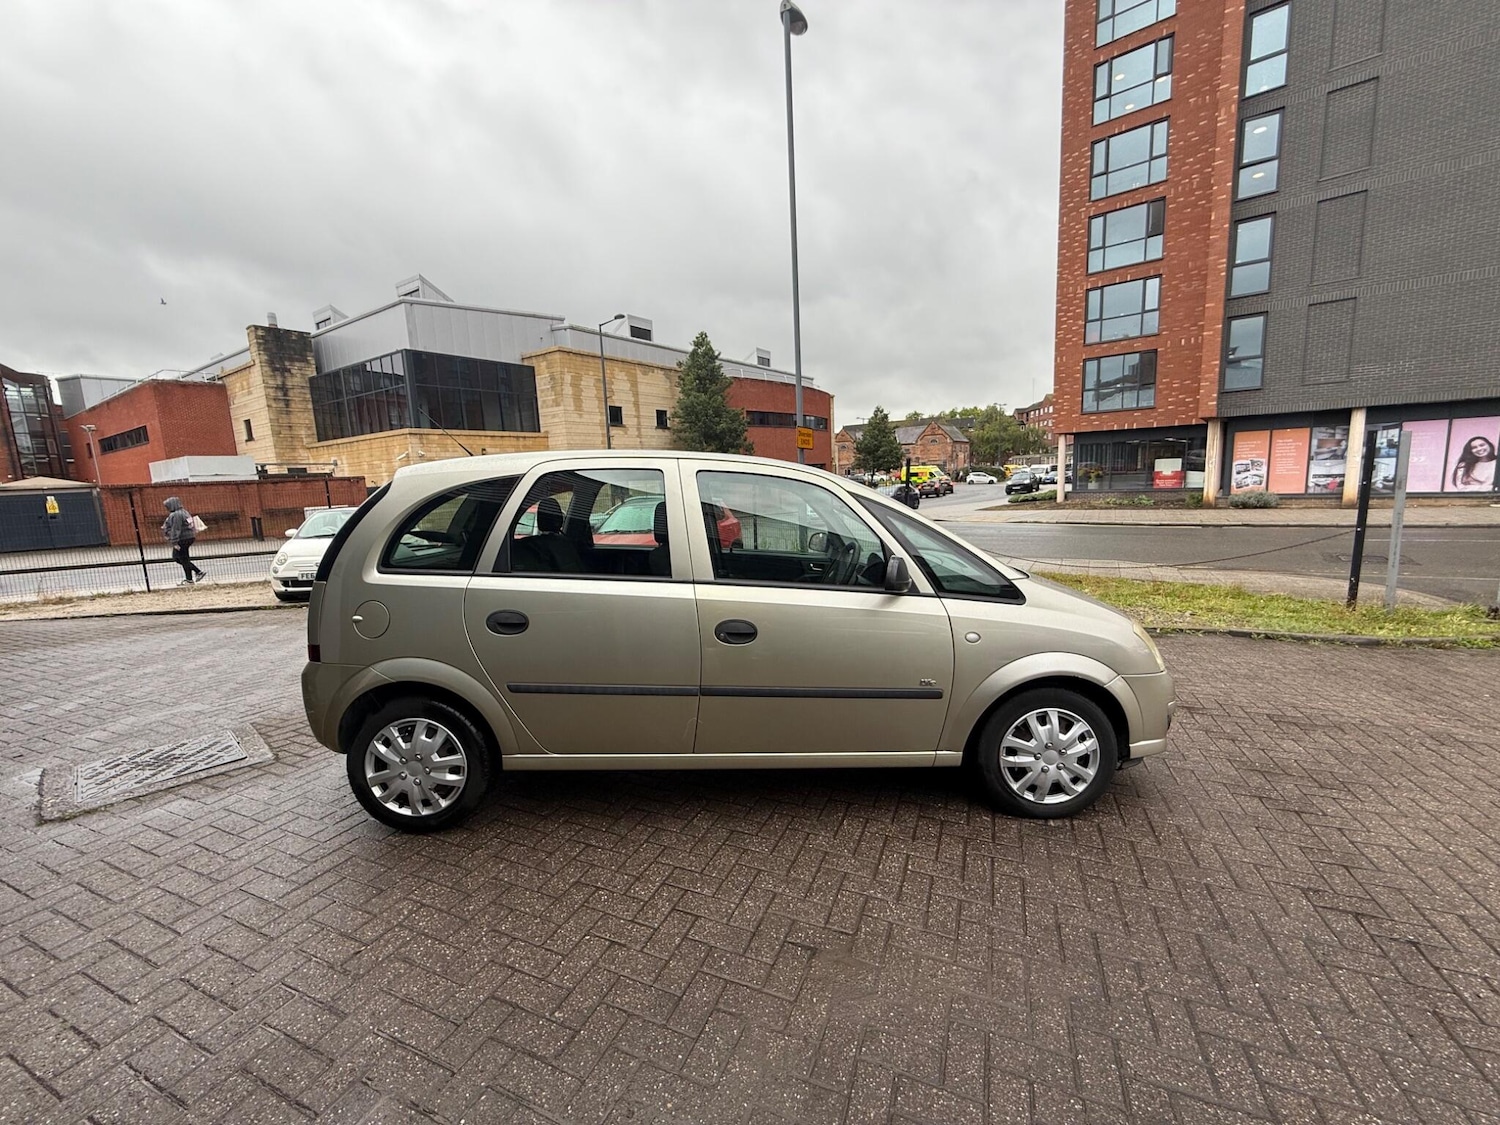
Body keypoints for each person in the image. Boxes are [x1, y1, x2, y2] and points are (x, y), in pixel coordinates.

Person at [161, 496, 206, 585]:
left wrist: (174, 541)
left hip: (182, 539)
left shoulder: (176, 515)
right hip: (189, 537)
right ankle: (191, 578)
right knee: (183, 558)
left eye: (168, 506)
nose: (167, 508)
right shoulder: (184, 512)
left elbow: (176, 528)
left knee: (178, 558)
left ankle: (196, 574)